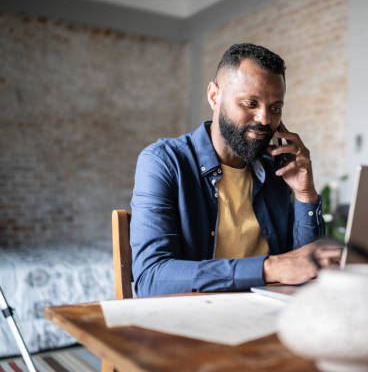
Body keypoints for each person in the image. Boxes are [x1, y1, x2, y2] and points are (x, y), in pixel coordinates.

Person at [130, 43, 340, 297]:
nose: (265, 119)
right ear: (214, 96)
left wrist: (305, 194)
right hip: (196, 318)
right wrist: (269, 268)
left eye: (275, 108)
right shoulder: (164, 161)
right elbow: (151, 277)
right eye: (250, 103)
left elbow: (306, 270)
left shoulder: (276, 170)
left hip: (266, 315)